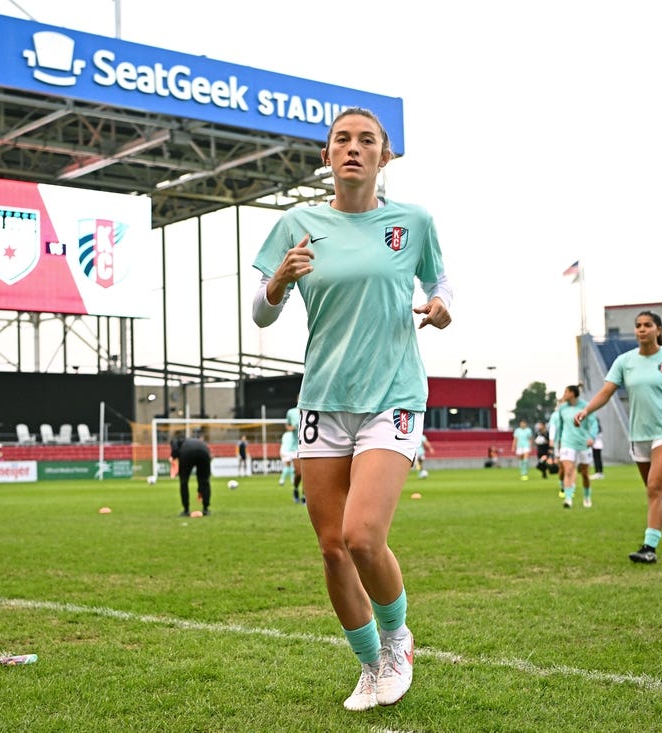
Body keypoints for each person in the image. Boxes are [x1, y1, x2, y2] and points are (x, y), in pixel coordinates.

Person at [252, 107, 453, 711]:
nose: (354, 148)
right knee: (331, 548)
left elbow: (440, 282)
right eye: (343, 139)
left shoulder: (412, 222)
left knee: (363, 536)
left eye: (368, 140)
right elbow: (261, 313)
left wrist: (440, 305)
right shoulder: (297, 223)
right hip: (322, 399)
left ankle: (398, 642)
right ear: (326, 156)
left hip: (391, 395)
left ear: (384, 157)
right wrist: (279, 281)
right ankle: (370, 666)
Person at [575, 310, 662, 563]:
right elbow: (606, 392)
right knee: (658, 492)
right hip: (639, 436)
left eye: (648, 325)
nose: (642, 329)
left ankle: (649, 547)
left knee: (654, 487)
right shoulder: (624, 361)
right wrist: (586, 410)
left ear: (658, 330)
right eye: (638, 325)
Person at [552, 385, 598, 509]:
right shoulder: (562, 409)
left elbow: (594, 423)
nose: (564, 394)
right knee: (568, 470)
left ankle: (587, 497)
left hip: (583, 443)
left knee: (584, 473)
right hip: (567, 443)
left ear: (572, 393)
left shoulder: (586, 406)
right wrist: (558, 442)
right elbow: (560, 427)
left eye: (566, 392)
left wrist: (592, 437)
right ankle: (568, 499)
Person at [171, 434, 212, 516]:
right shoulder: (199, 441)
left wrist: (173, 456)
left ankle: (186, 510)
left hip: (187, 453)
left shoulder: (176, 440)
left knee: (184, 482)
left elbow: (175, 449)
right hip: (204, 451)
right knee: (204, 481)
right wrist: (200, 489)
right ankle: (205, 509)